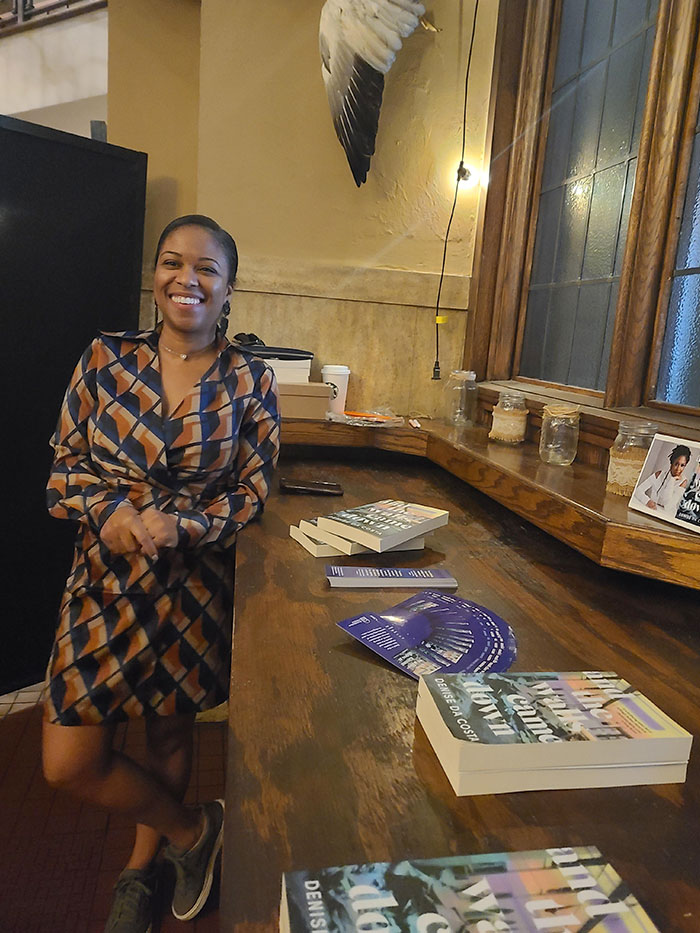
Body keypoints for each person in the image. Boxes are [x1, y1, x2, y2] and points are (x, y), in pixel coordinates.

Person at [41, 215, 280, 931]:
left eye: (207, 268)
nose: (188, 279)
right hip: (102, 587)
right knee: (68, 761)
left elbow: (252, 492)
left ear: (229, 287)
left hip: (191, 591)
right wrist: (110, 509)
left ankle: (139, 871)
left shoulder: (252, 380)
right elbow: (62, 470)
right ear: (155, 277)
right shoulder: (105, 360)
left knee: (171, 737)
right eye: (174, 263)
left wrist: (189, 523)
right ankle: (193, 831)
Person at [632, 444, 691, 513]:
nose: (678, 469)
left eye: (682, 465)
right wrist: (647, 501)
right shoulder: (659, 474)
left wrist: (671, 480)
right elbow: (638, 490)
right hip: (651, 510)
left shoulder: (683, 482)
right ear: (671, 462)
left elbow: (667, 505)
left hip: (666, 515)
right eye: (676, 464)